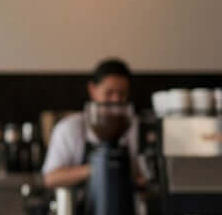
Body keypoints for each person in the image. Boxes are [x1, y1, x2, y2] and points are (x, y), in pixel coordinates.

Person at [42, 58, 149, 189]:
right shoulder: (69, 128)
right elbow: (50, 178)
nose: (116, 100)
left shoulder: (136, 126)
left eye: (122, 94)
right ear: (92, 90)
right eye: (109, 93)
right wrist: (100, 167)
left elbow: (145, 175)